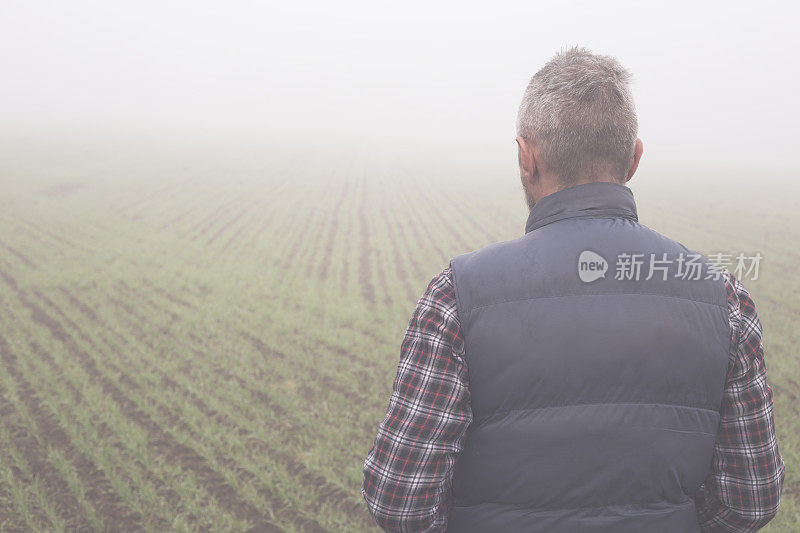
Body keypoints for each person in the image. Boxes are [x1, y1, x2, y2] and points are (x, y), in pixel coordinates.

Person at [361, 46, 785, 532]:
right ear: (634, 159)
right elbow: (751, 500)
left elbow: (400, 500)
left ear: (526, 158)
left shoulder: (455, 297)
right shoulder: (722, 298)